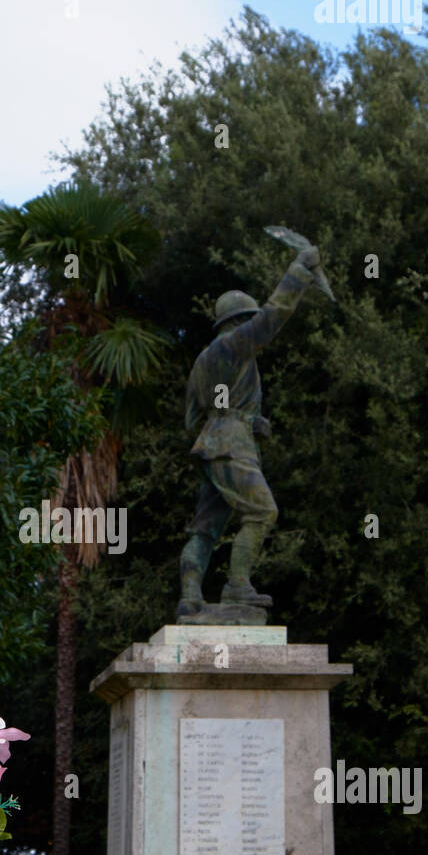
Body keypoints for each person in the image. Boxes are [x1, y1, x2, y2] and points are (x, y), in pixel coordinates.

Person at [177, 244, 320, 619]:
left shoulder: (202, 362)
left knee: (204, 530)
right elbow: (275, 316)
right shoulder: (234, 344)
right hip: (231, 446)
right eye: (250, 323)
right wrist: (299, 269)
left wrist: (249, 421)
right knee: (262, 512)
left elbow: (194, 418)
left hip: (212, 446)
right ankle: (237, 584)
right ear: (240, 322)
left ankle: (190, 597)